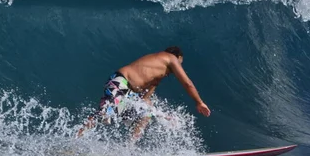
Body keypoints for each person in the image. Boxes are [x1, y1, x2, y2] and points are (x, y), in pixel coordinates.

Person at [77, 46, 210, 141]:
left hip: (128, 94)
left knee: (146, 114)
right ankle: (77, 137)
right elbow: (188, 83)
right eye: (180, 64)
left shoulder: (157, 76)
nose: (178, 68)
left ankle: (128, 149)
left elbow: (144, 101)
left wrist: (163, 116)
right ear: (178, 57)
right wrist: (199, 102)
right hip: (120, 82)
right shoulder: (170, 58)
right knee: (106, 114)